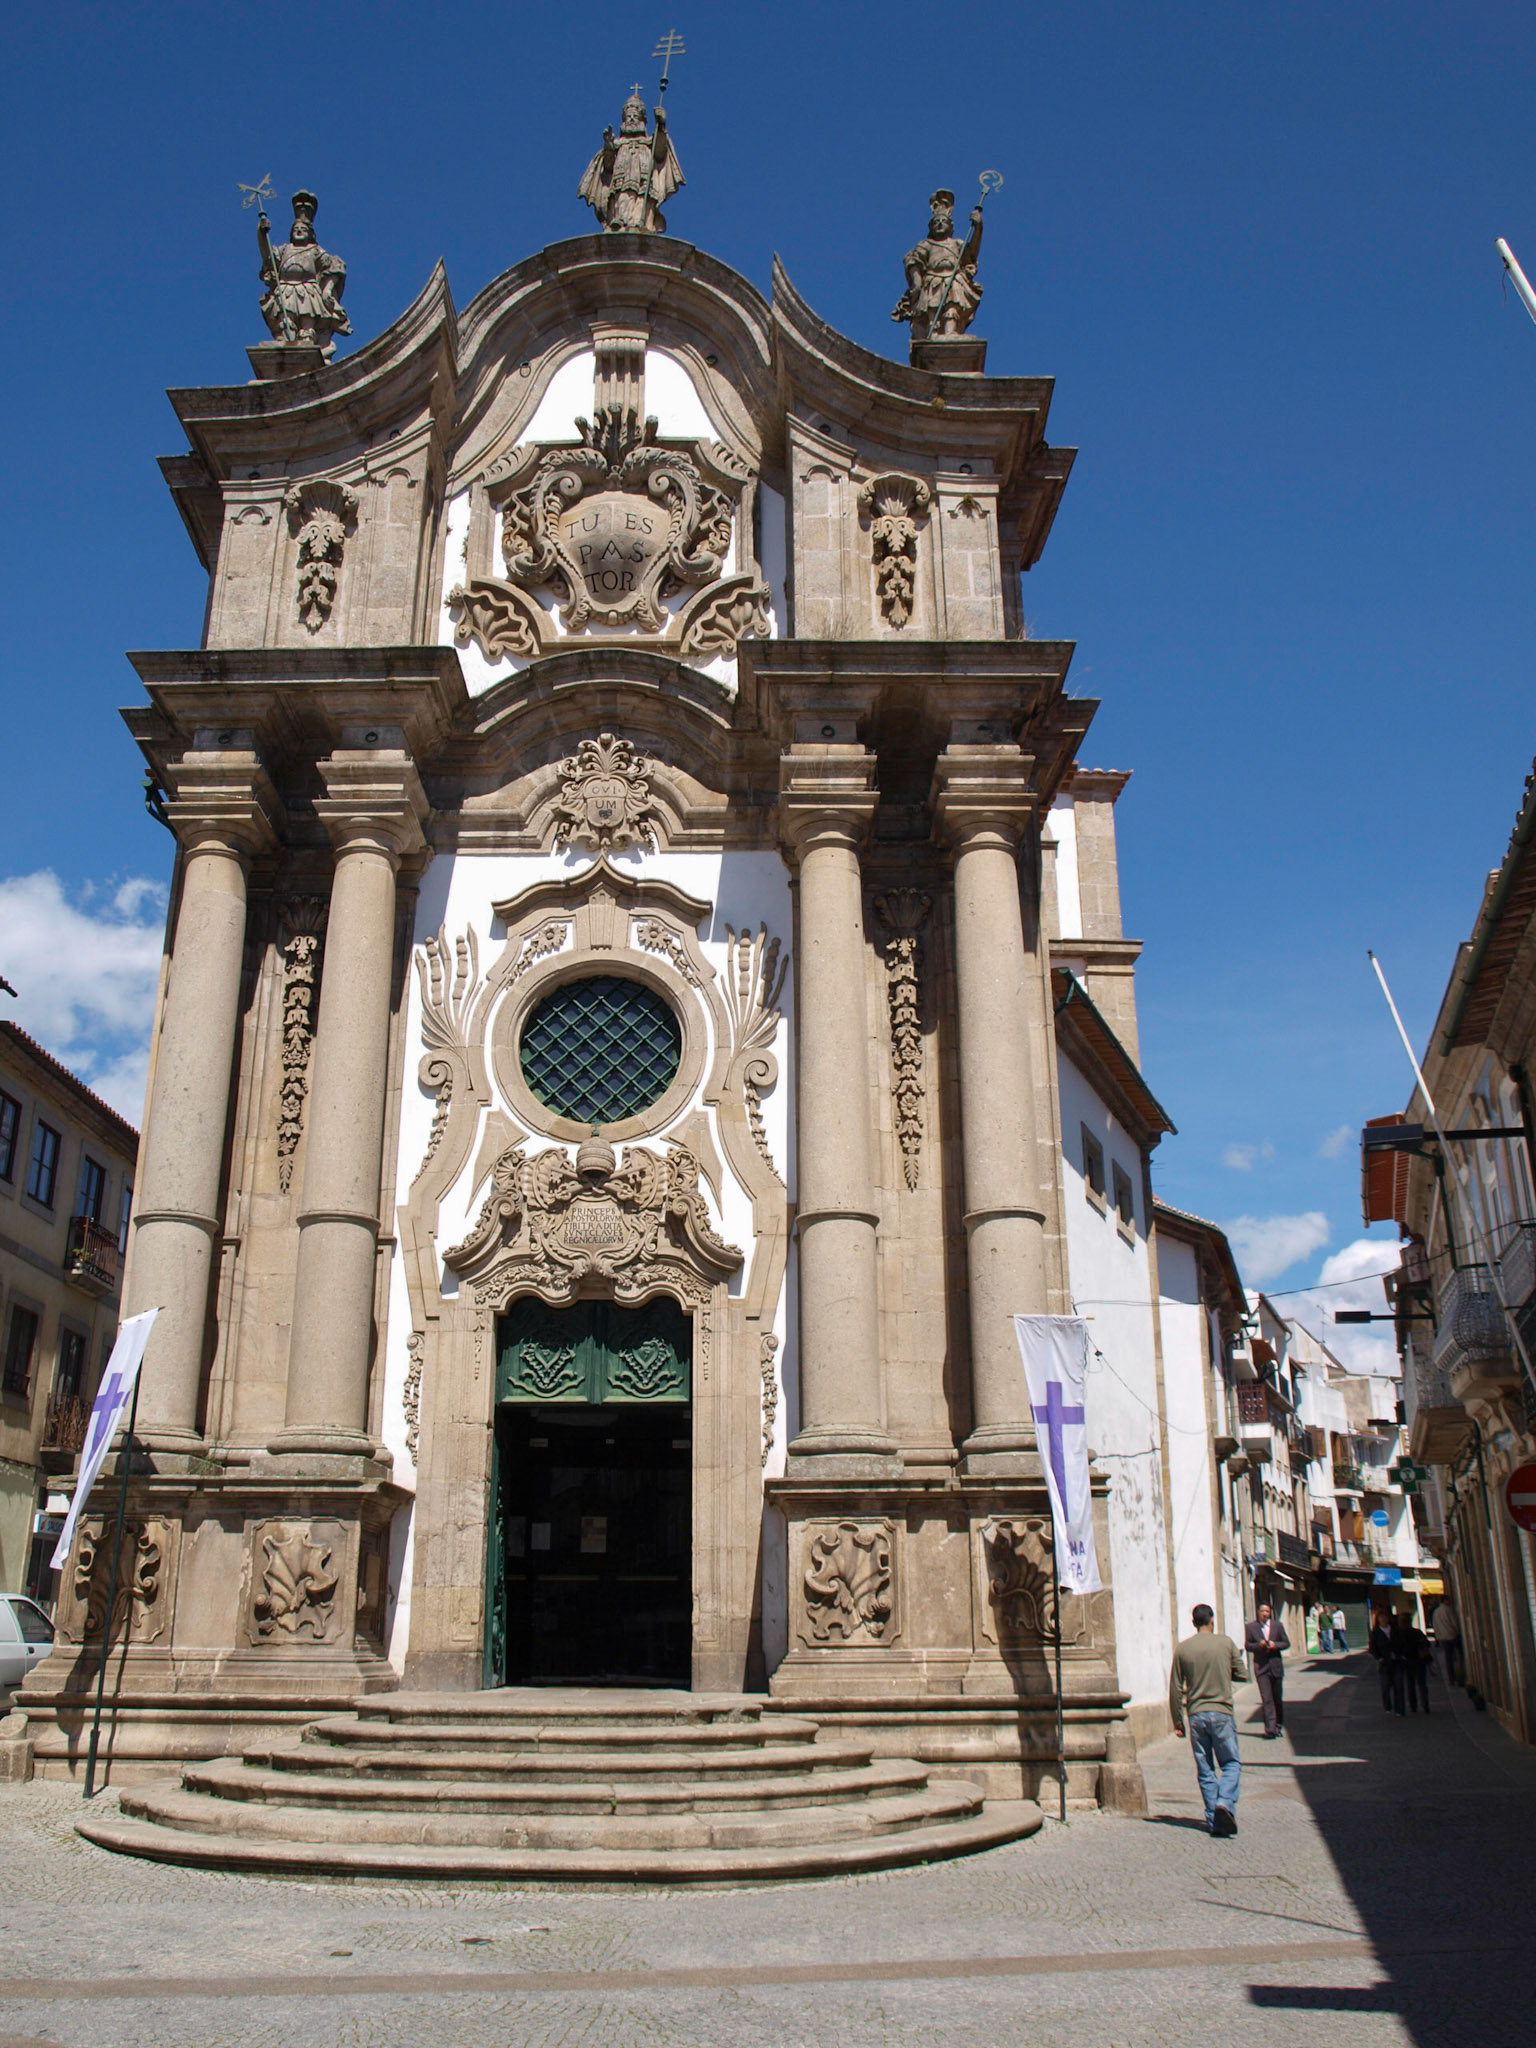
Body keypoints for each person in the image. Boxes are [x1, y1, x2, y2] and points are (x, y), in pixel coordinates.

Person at [1169, 1603, 1246, 1836]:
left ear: (1194, 1622)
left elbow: (1175, 1689)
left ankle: (1214, 1820)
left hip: (1196, 1714)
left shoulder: (1183, 1649)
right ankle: (1224, 1802)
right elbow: (1243, 1673)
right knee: (1231, 1763)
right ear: (1211, 1620)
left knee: (1205, 1769)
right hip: (1222, 1711)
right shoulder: (1226, 1643)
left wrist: (1177, 1720)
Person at [1243, 1602, 1290, 1737]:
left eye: (1267, 1611)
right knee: (1266, 1698)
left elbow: (1286, 1643)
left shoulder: (1277, 1626)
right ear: (1258, 1612)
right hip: (1261, 1667)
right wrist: (1259, 1645)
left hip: (1275, 1666)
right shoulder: (1251, 1627)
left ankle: (1278, 1725)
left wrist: (1275, 1645)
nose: (1264, 1614)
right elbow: (1247, 1645)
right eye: (1262, 1611)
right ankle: (1270, 1729)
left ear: (1270, 1613)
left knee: (1277, 1699)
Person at [1391, 1612, 1432, 1714]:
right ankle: (1425, 1705)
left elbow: (1395, 1648)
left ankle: (1413, 1706)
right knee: (1422, 1684)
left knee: (1410, 1684)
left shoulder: (1398, 1634)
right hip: (1419, 1660)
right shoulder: (1417, 1632)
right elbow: (1426, 1644)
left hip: (1407, 1661)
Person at [1369, 1607, 1399, 1712]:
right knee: (1385, 1686)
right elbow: (1372, 1648)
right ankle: (1388, 1706)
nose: (1383, 1619)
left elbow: (1401, 1643)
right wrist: (1379, 1658)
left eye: (1385, 1617)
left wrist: (1400, 1655)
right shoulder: (1376, 1633)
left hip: (1396, 1661)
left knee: (1398, 1685)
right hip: (1384, 1663)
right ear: (1378, 1619)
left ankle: (1399, 1708)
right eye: (1381, 1617)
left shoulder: (1394, 1630)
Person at [1431, 1596, 1461, 1688]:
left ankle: (1451, 1678)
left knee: (1448, 1659)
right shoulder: (1448, 1610)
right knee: (1459, 1655)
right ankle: (1459, 1676)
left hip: (1443, 1637)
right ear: (1445, 1601)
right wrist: (1457, 1631)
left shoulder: (1436, 1612)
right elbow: (1454, 1623)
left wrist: (1438, 1636)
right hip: (1452, 1635)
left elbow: (1435, 1625)